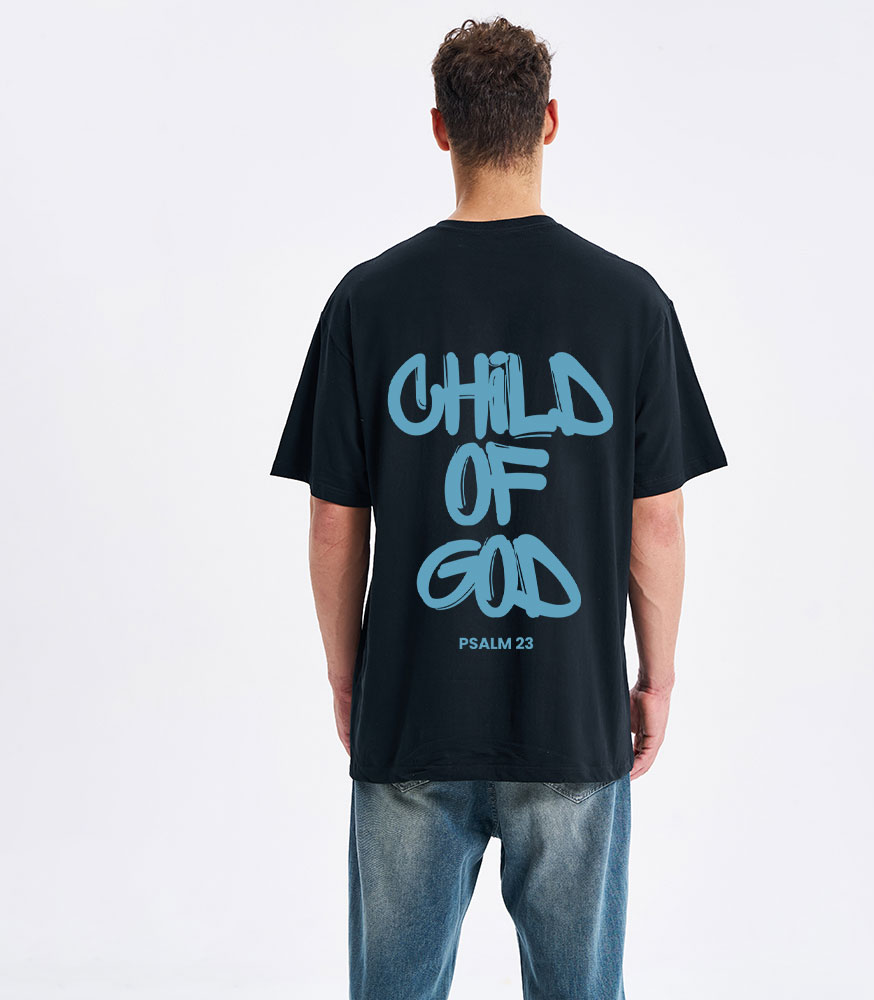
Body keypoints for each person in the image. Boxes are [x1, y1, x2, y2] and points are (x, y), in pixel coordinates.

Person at [269, 15, 727, 1000]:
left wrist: (349, 677)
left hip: (411, 711)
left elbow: (333, 518)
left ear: (441, 128)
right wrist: (656, 677)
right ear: (549, 120)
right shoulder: (630, 304)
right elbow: (657, 521)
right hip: (570, 716)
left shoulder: (366, 302)